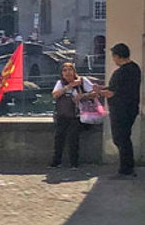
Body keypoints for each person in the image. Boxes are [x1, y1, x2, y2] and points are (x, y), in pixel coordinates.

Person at [100, 43, 141, 178]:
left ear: (117, 56)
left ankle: (126, 169)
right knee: (125, 138)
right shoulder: (135, 69)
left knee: (120, 139)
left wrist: (98, 92)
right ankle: (128, 167)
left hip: (120, 110)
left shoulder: (120, 72)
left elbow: (112, 92)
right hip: (132, 108)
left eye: (114, 57)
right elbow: (121, 89)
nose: (114, 60)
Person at [51, 61, 93, 169]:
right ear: (62, 73)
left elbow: (94, 93)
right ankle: (56, 162)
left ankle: (74, 163)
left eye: (70, 69)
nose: (68, 72)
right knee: (59, 138)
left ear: (74, 71)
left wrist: (82, 96)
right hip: (62, 115)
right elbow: (55, 94)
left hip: (77, 115)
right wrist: (69, 87)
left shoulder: (82, 81)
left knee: (73, 139)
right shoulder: (60, 83)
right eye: (65, 70)